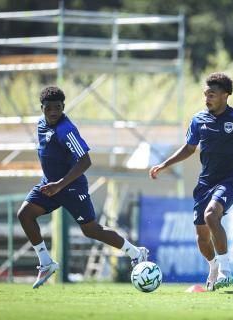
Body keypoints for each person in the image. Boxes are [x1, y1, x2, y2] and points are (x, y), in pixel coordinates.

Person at [149, 72, 233, 291]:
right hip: (205, 183)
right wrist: (164, 164)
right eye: (205, 94)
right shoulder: (198, 120)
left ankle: (226, 270)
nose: (207, 99)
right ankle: (214, 266)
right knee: (202, 239)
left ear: (225, 95)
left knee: (211, 216)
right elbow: (189, 148)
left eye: (212, 95)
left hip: (231, 179)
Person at [17, 86, 148, 289]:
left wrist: (60, 184)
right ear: (41, 107)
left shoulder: (66, 130)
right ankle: (46, 263)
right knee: (25, 214)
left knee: (91, 230)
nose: (53, 112)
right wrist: (53, 183)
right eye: (49, 108)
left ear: (63, 107)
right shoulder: (41, 123)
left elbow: (85, 161)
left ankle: (136, 253)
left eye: (58, 108)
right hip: (49, 185)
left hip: (70, 187)